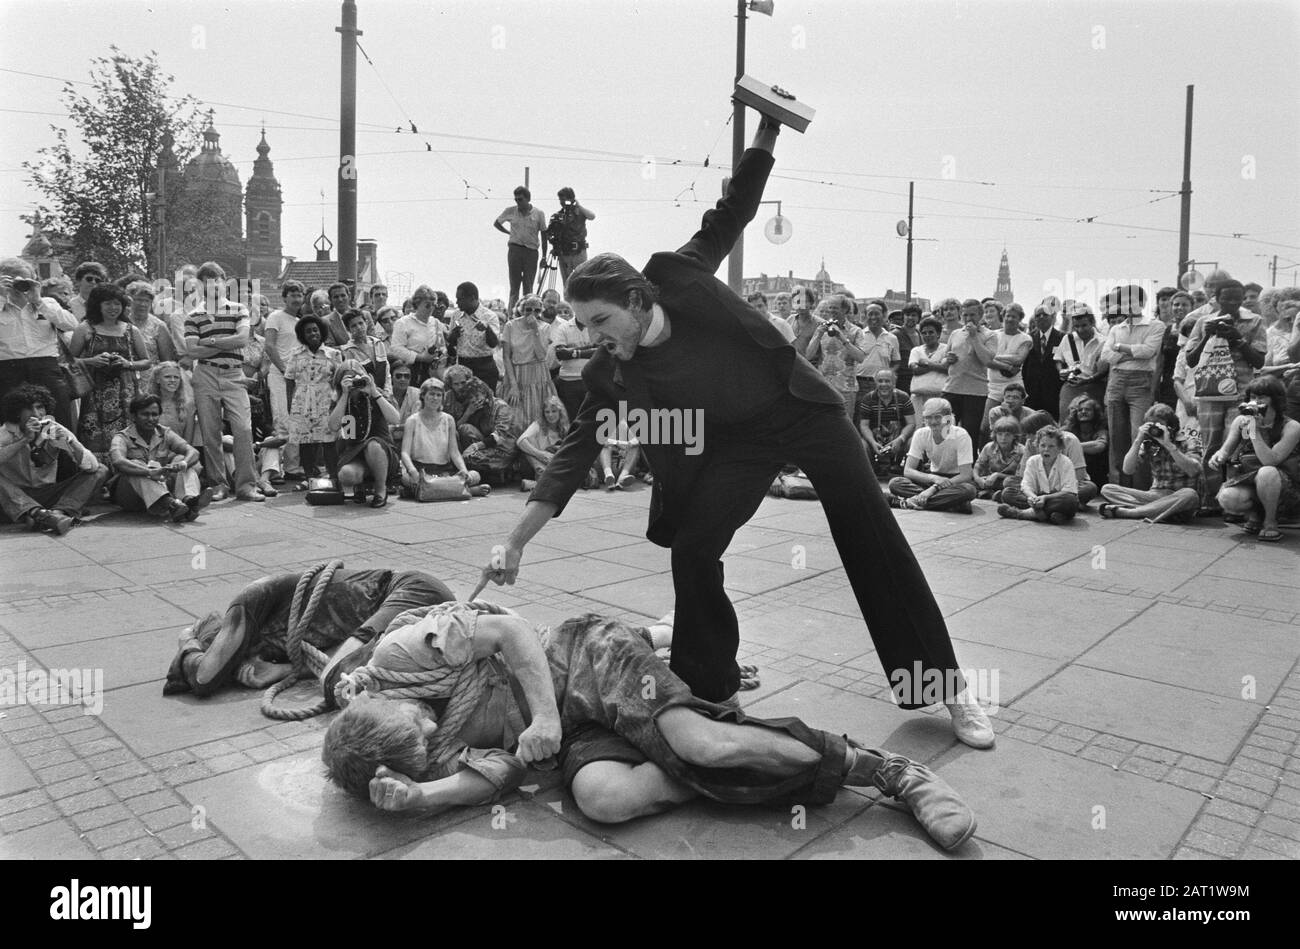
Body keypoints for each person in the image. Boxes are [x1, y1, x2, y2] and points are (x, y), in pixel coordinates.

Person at [476, 120, 992, 748]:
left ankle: (943, 687)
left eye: (602, 320)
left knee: (869, 531)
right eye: (585, 324)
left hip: (803, 411)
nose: (594, 336)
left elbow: (733, 210)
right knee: (693, 550)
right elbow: (572, 453)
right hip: (737, 444)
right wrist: (515, 542)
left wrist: (766, 135)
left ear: (639, 300)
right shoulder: (614, 368)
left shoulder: (681, 274)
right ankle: (707, 684)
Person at [321, 601, 978, 852]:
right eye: (421, 746)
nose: (428, 725)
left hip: (578, 658)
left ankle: (886, 769)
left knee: (701, 743)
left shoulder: (399, 656)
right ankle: (705, 752)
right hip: (577, 729)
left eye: (416, 719)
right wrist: (421, 798)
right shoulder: (417, 755)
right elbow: (497, 773)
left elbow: (512, 630)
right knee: (605, 798)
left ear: (378, 705)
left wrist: (544, 713)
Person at [163, 567, 455, 697]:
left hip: (413, 590)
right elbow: (327, 654)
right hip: (403, 619)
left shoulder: (248, 603)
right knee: (353, 676)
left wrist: (186, 641)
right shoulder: (268, 644)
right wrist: (284, 671)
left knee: (338, 681)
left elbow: (204, 678)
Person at [184, 262, 264, 502]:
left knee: (243, 429)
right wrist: (220, 342)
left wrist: (209, 341)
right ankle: (219, 484)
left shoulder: (239, 309)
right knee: (211, 433)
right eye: (206, 282)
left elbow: (241, 339)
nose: (212, 285)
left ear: (223, 281)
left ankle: (246, 485)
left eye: (216, 280)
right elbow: (192, 351)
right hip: (206, 375)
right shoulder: (193, 316)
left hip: (233, 374)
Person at [1184, 279, 1269, 505]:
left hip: (1240, 393)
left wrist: (1237, 339)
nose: (1232, 302)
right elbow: (1190, 360)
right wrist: (1206, 336)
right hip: (1210, 392)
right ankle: (1210, 500)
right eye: (1227, 298)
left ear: (1243, 299)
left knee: (1235, 445)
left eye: (1237, 298)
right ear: (1217, 298)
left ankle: (1231, 499)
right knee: (1210, 444)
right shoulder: (1202, 321)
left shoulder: (1255, 321)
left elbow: (1258, 360)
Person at [0, 383, 107, 535]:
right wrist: (24, 440)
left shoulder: (53, 428)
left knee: (101, 470)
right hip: (13, 497)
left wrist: (71, 443)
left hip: (48, 493)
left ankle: (57, 513)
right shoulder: (5, 433)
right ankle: (38, 514)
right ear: (17, 413)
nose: (36, 414)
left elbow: (92, 467)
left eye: (40, 407)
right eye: (29, 409)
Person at [1210, 377, 1300, 541]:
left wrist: (1255, 431)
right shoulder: (1241, 421)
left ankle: (1270, 522)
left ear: (1275, 400)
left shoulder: (1291, 426)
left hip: (1284, 487)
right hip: (1250, 479)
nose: (1255, 402)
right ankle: (1255, 516)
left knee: (1267, 472)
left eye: (1261, 397)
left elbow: (1270, 460)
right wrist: (1218, 457)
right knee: (1229, 497)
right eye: (1253, 397)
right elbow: (1225, 450)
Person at [69, 283, 150, 464]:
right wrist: (92, 361)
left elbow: (146, 361)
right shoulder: (85, 328)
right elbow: (68, 360)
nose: (113, 308)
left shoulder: (130, 330)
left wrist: (127, 363)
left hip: (126, 394)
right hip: (94, 395)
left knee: (128, 437)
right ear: (98, 304)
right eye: (107, 303)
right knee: (95, 438)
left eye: (117, 304)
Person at [108, 393, 212, 523]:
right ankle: (171, 505)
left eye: (154, 414)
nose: (151, 418)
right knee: (135, 464)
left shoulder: (164, 432)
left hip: (161, 489)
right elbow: (118, 461)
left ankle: (189, 501)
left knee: (184, 461)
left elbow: (193, 452)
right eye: (145, 414)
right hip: (130, 496)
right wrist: (149, 472)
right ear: (133, 416)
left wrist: (183, 464)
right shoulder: (121, 437)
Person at [1099, 284, 1165, 487]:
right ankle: (1121, 487)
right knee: (1117, 437)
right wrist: (1129, 352)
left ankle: (1141, 487)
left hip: (1141, 381)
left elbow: (1149, 351)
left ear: (1142, 303)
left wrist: (1119, 348)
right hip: (1117, 381)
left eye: (1131, 301)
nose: (1127, 305)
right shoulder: (1115, 328)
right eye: (1123, 301)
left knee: (1140, 435)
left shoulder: (1155, 325)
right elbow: (1106, 356)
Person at [0, 257, 78, 429]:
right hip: (8, 370)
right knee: (10, 422)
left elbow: (72, 324)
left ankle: (64, 455)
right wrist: (1, 298)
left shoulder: (47, 303)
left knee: (59, 419)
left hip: (45, 367)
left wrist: (38, 301)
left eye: (25, 280)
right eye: (12, 280)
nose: (19, 285)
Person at [1098, 403, 1203, 523]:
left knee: (1190, 495)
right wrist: (1138, 440)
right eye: (1151, 425)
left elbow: (1194, 470)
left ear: (1172, 426)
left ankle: (1132, 512)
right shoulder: (1149, 443)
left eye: (1159, 425)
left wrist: (1169, 445)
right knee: (1108, 489)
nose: (1155, 429)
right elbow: (1128, 470)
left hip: (1179, 496)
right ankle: (1160, 512)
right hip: (1154, 496)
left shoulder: (1189, 441)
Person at [887, 397, 978, 513]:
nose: (933, 422)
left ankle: (908, 502)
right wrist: (934, 479)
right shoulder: (921, 434)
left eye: (937, 417)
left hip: (955, 480)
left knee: (969, 490)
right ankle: (950, 505)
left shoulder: (961, 435)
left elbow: (966, 475)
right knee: (895, 483)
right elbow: (908, 470)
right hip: (932, 477)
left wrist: (933, 489)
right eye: (929, 417)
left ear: (948, 418)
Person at [330, 360, 401, 507]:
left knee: (373, 445)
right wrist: (344, 395)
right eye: (348, 378)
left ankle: (381, 489)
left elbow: (395, 419)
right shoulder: (342, 400)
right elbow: (334, 426)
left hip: (382, 451)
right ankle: (360, 486)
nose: (354, 382)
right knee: (346, 474)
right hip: (356, 454)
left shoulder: (376, 393)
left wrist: (374, 392)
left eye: (356, 377)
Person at [398, 378, 482, 498]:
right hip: (420, 470)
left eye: (439, 395)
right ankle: (464, 490)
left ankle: (426, 491)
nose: (435, 398)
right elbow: (405, 453)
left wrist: (463, 470)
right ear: (423, 396)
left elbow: (454, 452)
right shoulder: (412, 420)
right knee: (405, 478)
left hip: (443, 470)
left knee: (475, 475)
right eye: (431, 394)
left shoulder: (448, 419)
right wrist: (412, 471)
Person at [1001, 410, 1100, 508]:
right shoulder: (1031, 442)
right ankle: (1057, 507)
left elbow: (1079, 475)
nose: (1027, 437)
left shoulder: (1070, 440)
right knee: (1009, 483)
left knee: (1089, 488)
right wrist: (1032, 492)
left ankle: (1041, 506)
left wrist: (1054, 493)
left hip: (1065, 488)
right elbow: (1023, 475)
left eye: (1030, 433)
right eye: (1042, 445)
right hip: (1038, 488)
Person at [284, 314, 341, 481]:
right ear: (303, 335)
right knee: (305, 441)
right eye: (308, 331)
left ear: (321, 331)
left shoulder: (334, 354)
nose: (312, 334)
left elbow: (338, 379)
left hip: (326, 400)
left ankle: (333, 476)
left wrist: (337, 402)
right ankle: (310, 478)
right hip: (302, 401)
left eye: (315, 330)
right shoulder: (295, 354)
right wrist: (290, 404)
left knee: (329, 440)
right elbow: (289, 380)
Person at [263, 280, 305, 479]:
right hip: (280, 376)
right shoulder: (275, 317)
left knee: (296, 421)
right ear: (284, 297)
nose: (296, 299)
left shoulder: (300, 322)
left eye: (299, 295)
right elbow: (270, 347)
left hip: (298, 378)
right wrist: (284, 369)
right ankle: (273, 470)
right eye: (292, 295)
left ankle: (292, 467)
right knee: (281, 421)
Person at [997, 426, 1079, 524]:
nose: (1046, 449)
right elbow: (1026, 485)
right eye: (1042, 445)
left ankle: (1024, 513)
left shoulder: (1066, 462)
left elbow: (1069, 490)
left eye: (1051, 446)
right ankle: (1052, 515)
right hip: (1036, 498)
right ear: (1037, 446)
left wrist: (1045, 498)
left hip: (1055, 498)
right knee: (1007, 493)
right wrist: (1032, 497)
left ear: (1059, 448)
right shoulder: (1033, 461)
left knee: (1070, 500)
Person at [500, 295, 558, 431]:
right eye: (528, 309)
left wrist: (535, 330)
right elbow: (506, 357)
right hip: (517, 373)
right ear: (521, 309)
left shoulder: (545, 327)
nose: (532, 313)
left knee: (539, 414)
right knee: (516, 418)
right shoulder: (510, 325)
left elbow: (541, 355)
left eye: (537, 310)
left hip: (538, 373)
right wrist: (513, 385)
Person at [941, 299, 995, 436]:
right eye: (965, 315)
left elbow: (987, 360)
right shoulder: (955, 334)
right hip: (952, 389)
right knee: (944, 430)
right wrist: (948, 359)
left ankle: (969, 458)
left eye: (972, 315)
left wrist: (974, 336)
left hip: (976, 393)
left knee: (970, 433)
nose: (968, 319)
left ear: (980, 315)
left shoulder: (990, 335)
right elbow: (943, 361)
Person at [805, 294, 865, 413]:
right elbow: (808, 356)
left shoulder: (855, 331)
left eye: (835, 308)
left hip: (846, 388)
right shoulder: (822, 328)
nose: (831, 311)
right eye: (830, 308)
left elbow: (861, 357)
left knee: (845, 427)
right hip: (825, 387)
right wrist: (817, 336)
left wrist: (843, 338)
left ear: (845, 310)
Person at [982, 303, 1032, 441]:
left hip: (1014, 386)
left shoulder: (1025, 338)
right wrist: (1007, 366)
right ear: (1003, 316)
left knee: (1016, 426)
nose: (1010, 319)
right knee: (986, 426)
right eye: (1007, 315)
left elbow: (1019, 359)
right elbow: (986, 361)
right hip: (993, 387)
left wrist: (994, 357)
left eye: (1014, 316)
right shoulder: (992, 336)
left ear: (1020, 318)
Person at [494, 186, 549, 310]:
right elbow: (497, 223)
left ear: (528, 199)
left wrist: (544, 256)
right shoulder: (510, 211)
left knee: (528, 286)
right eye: (516, 200)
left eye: (520, 199)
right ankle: (512, 314)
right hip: (515, 250)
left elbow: (544, 234)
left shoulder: (539, 213)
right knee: (514, 286)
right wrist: (508, 232)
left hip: (531, 252)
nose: (518, 202)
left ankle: (527, 312)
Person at [1053, 301, 1107, 421]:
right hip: (1071, 387)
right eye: (1076, 326)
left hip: (1094, 386)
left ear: (1092, 322)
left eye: (1084, 325)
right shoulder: (1068, 338)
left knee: (1095, 422)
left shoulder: (1103, 341)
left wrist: (1089, 379)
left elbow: (1105, 369)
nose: (1080, 330)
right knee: (1066, 421)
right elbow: (1058, 359)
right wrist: (1062, 371)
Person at [856, 367, 914, 475]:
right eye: (880, 381)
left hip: (898, 439)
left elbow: (911, 423)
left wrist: (901, 439)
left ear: (894, 383)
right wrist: (872, 442)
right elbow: (864, 426)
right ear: (875, 382)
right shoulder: (868, 399)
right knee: (861, 444)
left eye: (887, 381)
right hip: (875, 439)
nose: (883, 384)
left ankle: (901, 469)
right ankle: (873, 469)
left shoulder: (903, 397)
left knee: (912, 442)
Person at [387, 285, 448, 387]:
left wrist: (440, 353)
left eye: (434, 305)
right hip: (410, 370)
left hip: (432, 371)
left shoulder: (435, 323)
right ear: (417, 305)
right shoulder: (403, 323)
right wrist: (421, 357)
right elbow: (396, 349)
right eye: (427, 305)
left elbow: (442, 346)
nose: (431, 308)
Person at [446, 282, 501, 391]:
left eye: (460, 299)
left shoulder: (489, 316)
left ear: (472, 298)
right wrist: (453, 335)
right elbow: (450, 342)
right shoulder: (456, 315)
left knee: (484, 403)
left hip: (484, 367)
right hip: (462, 367)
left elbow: (493, 343)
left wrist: (487, 329)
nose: (457, 303)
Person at [123, 281, 178, 389]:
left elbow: (167, 361)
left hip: (150, 384)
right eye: (138, 299)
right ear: (130, 301)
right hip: (124, 380)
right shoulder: (120, 323)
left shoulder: (159, 326)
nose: (142, 304)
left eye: (146, 301)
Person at [550, 303, 597, 423]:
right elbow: (560, 354)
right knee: (570, 420)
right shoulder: (564, 327)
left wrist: (572, 351)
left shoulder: (595, 327)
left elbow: (598, 352)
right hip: (568, 382)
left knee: (590, 420)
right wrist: (588, 348)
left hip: (589, 381)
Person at [517, 395, 569, 491]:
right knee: (527, 445)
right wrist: (540, 454)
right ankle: (543, 478)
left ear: (560, 412)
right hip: (534, 464)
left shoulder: (565, 428)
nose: (550, 415)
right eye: (547, 412)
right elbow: (520, 441)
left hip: (553, 464)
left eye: (554, 411)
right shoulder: (538, 424)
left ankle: (535, 484)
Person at [549, 187, 596, 286]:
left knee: (582, 282)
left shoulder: (580, 212)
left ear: (571, 199)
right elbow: (550, 233)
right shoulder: (558, 215)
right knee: (567, 284)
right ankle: (568, 302)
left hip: (579, 252)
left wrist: (578, 205)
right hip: (564, 253)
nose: (562, 202)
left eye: (564, 199)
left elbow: (592, 216)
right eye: (560, 199)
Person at [1023, 302, 1065, 416]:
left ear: (1052, 317)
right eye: (1038, 315)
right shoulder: (1028, 337)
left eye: (1045, 314)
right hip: (1032, 392)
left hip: (1054, 390)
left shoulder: (1063, 337)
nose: (1041, 317)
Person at [907, 316, 949, 421]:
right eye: (924, 333)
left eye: (931, 332)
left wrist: (926, 363)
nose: (927, 335)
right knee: (918, 428)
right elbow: (915, 370)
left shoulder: (946, 349)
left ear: (938, 334)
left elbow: (947, 369)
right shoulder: (916, 350)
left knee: (941, 428)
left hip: (940, 397)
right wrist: (938, 365)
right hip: (918, 398)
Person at [146, 361, 197, 447]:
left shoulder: (188, 404)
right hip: (152, 452)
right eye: (167, 377)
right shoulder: (146, 403)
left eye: (176, 377)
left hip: (178, 453)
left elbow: (188, 442)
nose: (173, 380)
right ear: (158, 379)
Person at [973, 416, 1025, 499]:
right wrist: (978, 479)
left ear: (1014, 436)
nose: (1003, 438)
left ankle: (996, 494)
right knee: (968, 483)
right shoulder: (989, 447)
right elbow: (978, 466)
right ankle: (992, 494)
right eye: (1000, 434)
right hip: (990, 481)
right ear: (995, 435)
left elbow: (1020, 477)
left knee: (1009, 483)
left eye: (1007, 435)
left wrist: (998, 475)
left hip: (1008, 481)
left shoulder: (1022, 451)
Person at [1063, 394, 1109, 488]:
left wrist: (1073, 445)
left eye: (1087, 409)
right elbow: (1055, 442)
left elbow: (1099, 446)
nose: (1083, 412)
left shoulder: (1101, 430)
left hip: (1095, 476)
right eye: (1080, 410)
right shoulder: (1068, 429)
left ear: (1095, 412)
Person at [340, 308, 390, 391]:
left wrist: (388, 391)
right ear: (348, 330)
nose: (359, 327)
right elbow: (354, 380)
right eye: (354, 326)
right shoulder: (348, 351)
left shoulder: (378, 343)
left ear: (366, 323)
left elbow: (387, 371)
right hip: (365, 395)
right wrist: (374, 392)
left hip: (385, 394)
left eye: (360, 323)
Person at [388, 364, 421, 448]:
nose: (403, 379)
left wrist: (395, 428)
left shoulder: (417, 394)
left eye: (406, 376)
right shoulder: (384, 395)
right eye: (398, 376)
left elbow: (416, 424)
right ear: (391, 377)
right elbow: (384, 428)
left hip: (411, 439)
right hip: (388, 440)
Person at [892, 303, 922, 395]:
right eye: (907, 315)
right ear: (903, 317)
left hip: (918, 378)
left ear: (918, 318)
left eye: (913, 315)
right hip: (901, 379)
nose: (910, 318)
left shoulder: (921, 334)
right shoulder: (895, 334)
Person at [786, 287, 819, 357]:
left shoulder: (819, 323)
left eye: (804, 301)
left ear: (811, 303)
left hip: (811, 365)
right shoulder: (790, 319)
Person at [323, 283, 352, 347]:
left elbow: (374, 342)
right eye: (336, 297)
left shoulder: (365, 315)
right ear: (330, 299)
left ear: (349, 296)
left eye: (343, 295)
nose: (340, 300)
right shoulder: (326, 322)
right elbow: (330, 348)